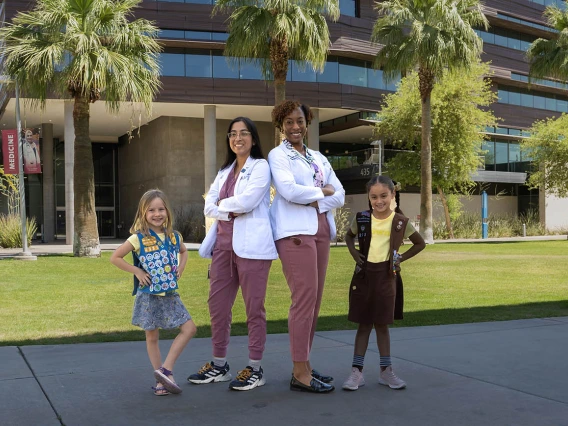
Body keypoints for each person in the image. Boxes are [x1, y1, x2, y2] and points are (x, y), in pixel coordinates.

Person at [188, 117, 277, 391]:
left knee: (254, 310)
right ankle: (219, 365)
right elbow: (208, 205)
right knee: (217, 308)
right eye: (233, 134)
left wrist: (222, 205)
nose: (238, 138)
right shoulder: (225, 170)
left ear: (253, 138)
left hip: (252, 248)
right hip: (223, 248)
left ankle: (255, 368)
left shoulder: (261, 167)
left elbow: (249, 201)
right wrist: (230, 207)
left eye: (244, 133)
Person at [269, 100, 345, 393]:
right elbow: (287, 191)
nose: (295, 127)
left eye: (299, 121)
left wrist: (315, 198)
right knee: (304, 299)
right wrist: (321, 192)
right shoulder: (278, 155)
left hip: (321, 229)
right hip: (295, 232)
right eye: (288, 122)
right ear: (281, 125)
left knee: (315, 302)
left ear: (307, 122)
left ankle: (306, 365)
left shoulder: (318, 158)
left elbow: (339, 194)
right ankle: (299, 371)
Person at [342, 175, 425, 391]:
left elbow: (420, 243)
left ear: (392, 195)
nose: (379, 201)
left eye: (383, 196)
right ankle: (356, 372)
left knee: (381, 325)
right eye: (374, 197)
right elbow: (348, 237)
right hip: (363, 277)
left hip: (387, 278)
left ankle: (386, 371)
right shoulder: (361, 218)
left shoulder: (399, 222)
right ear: (368, 197)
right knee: (363, 324)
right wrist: (353, 253)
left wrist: (400, 259)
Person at [110, 189, 196, 396]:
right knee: (152, 337)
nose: (157, 214)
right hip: (148, 296)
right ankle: (161, 381)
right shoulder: (137, 239)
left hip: (170, 295)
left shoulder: (175, 237)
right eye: (151, 210)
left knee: (189, 329)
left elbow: (184, 252)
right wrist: (137, 271)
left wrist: (181, 267)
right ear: (143, 214)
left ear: (167, 211)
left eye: (161, 209)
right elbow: (115, 257)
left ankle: (165, 370)